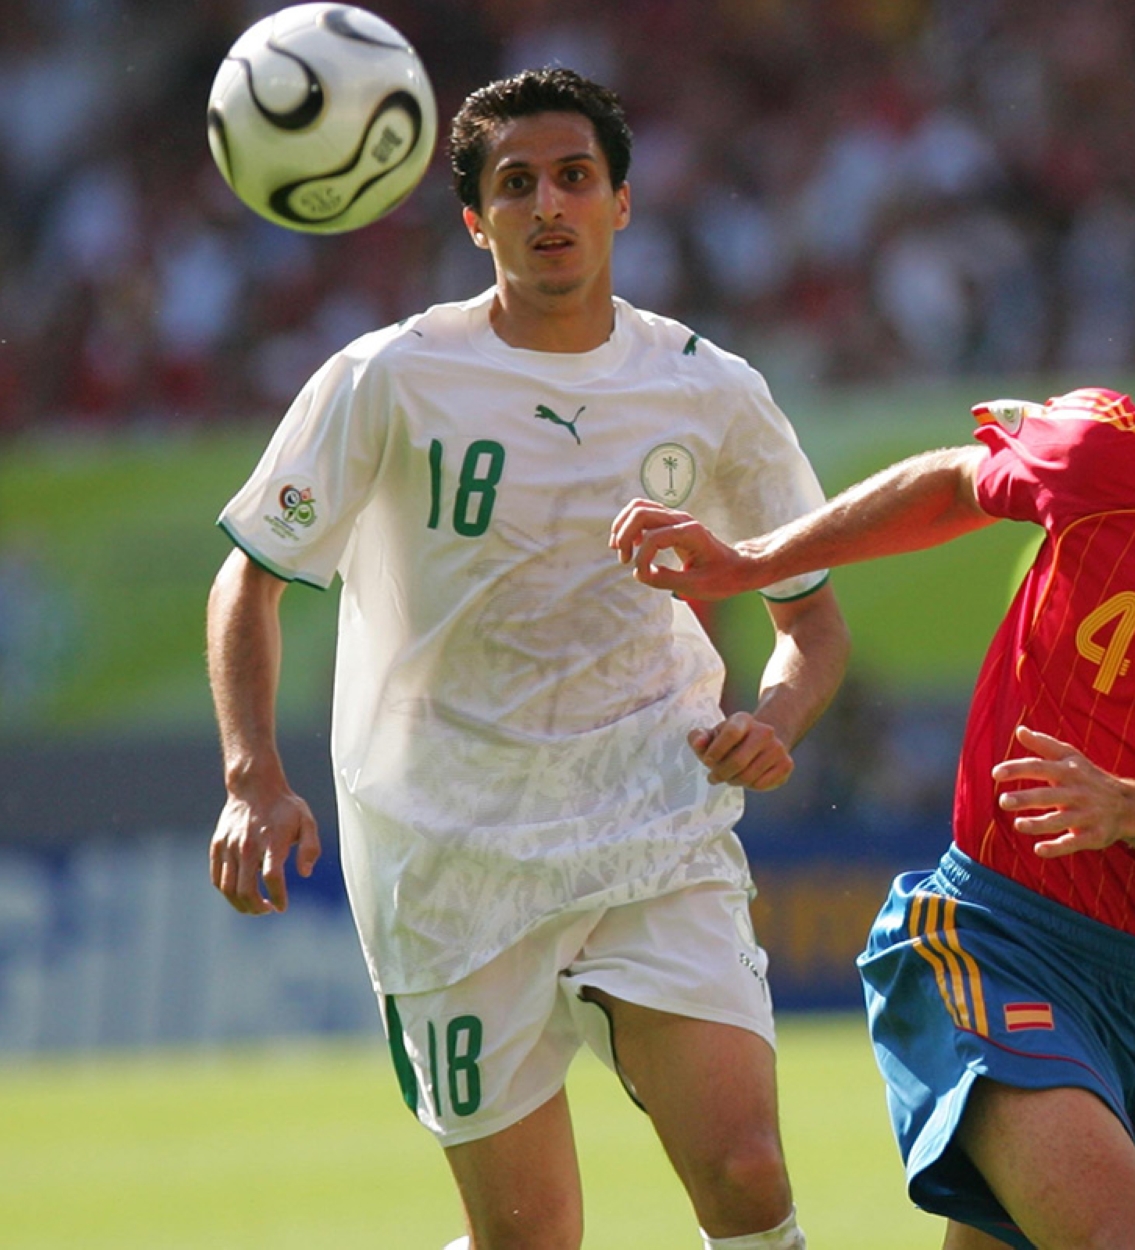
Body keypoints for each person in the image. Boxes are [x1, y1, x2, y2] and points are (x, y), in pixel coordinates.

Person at [612, 249, 1135, 1248]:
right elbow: (954, 485)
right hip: (990, 932)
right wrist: (755, 558)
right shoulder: (1112, 451)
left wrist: (1130, 807)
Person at [205, 68, 848, 1250]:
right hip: (446, 853)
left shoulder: (713, 391)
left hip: (650, 817)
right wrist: (254, 773)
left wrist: (775, 718)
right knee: (531, 1239)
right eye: (515, 185)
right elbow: (253, 570)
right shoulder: (385, 376)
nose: (546, 205)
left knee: (749, 1173)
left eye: (572, 178)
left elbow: (808, 620)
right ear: (474, 219)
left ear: (621, 204)